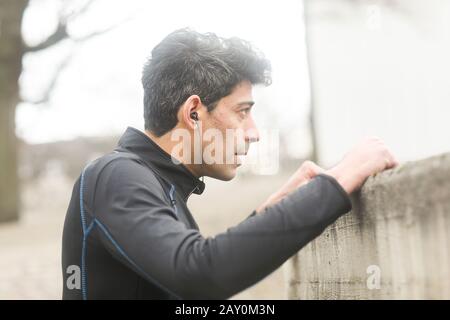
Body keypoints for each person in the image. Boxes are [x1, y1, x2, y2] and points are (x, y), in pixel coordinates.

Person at [61, 28, 398, 299]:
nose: (253, 134)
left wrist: (265, 217)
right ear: (193, 113)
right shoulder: (117, 175)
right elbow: (200, 274)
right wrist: (337, 181)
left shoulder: (159, 185)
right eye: (242, 112)